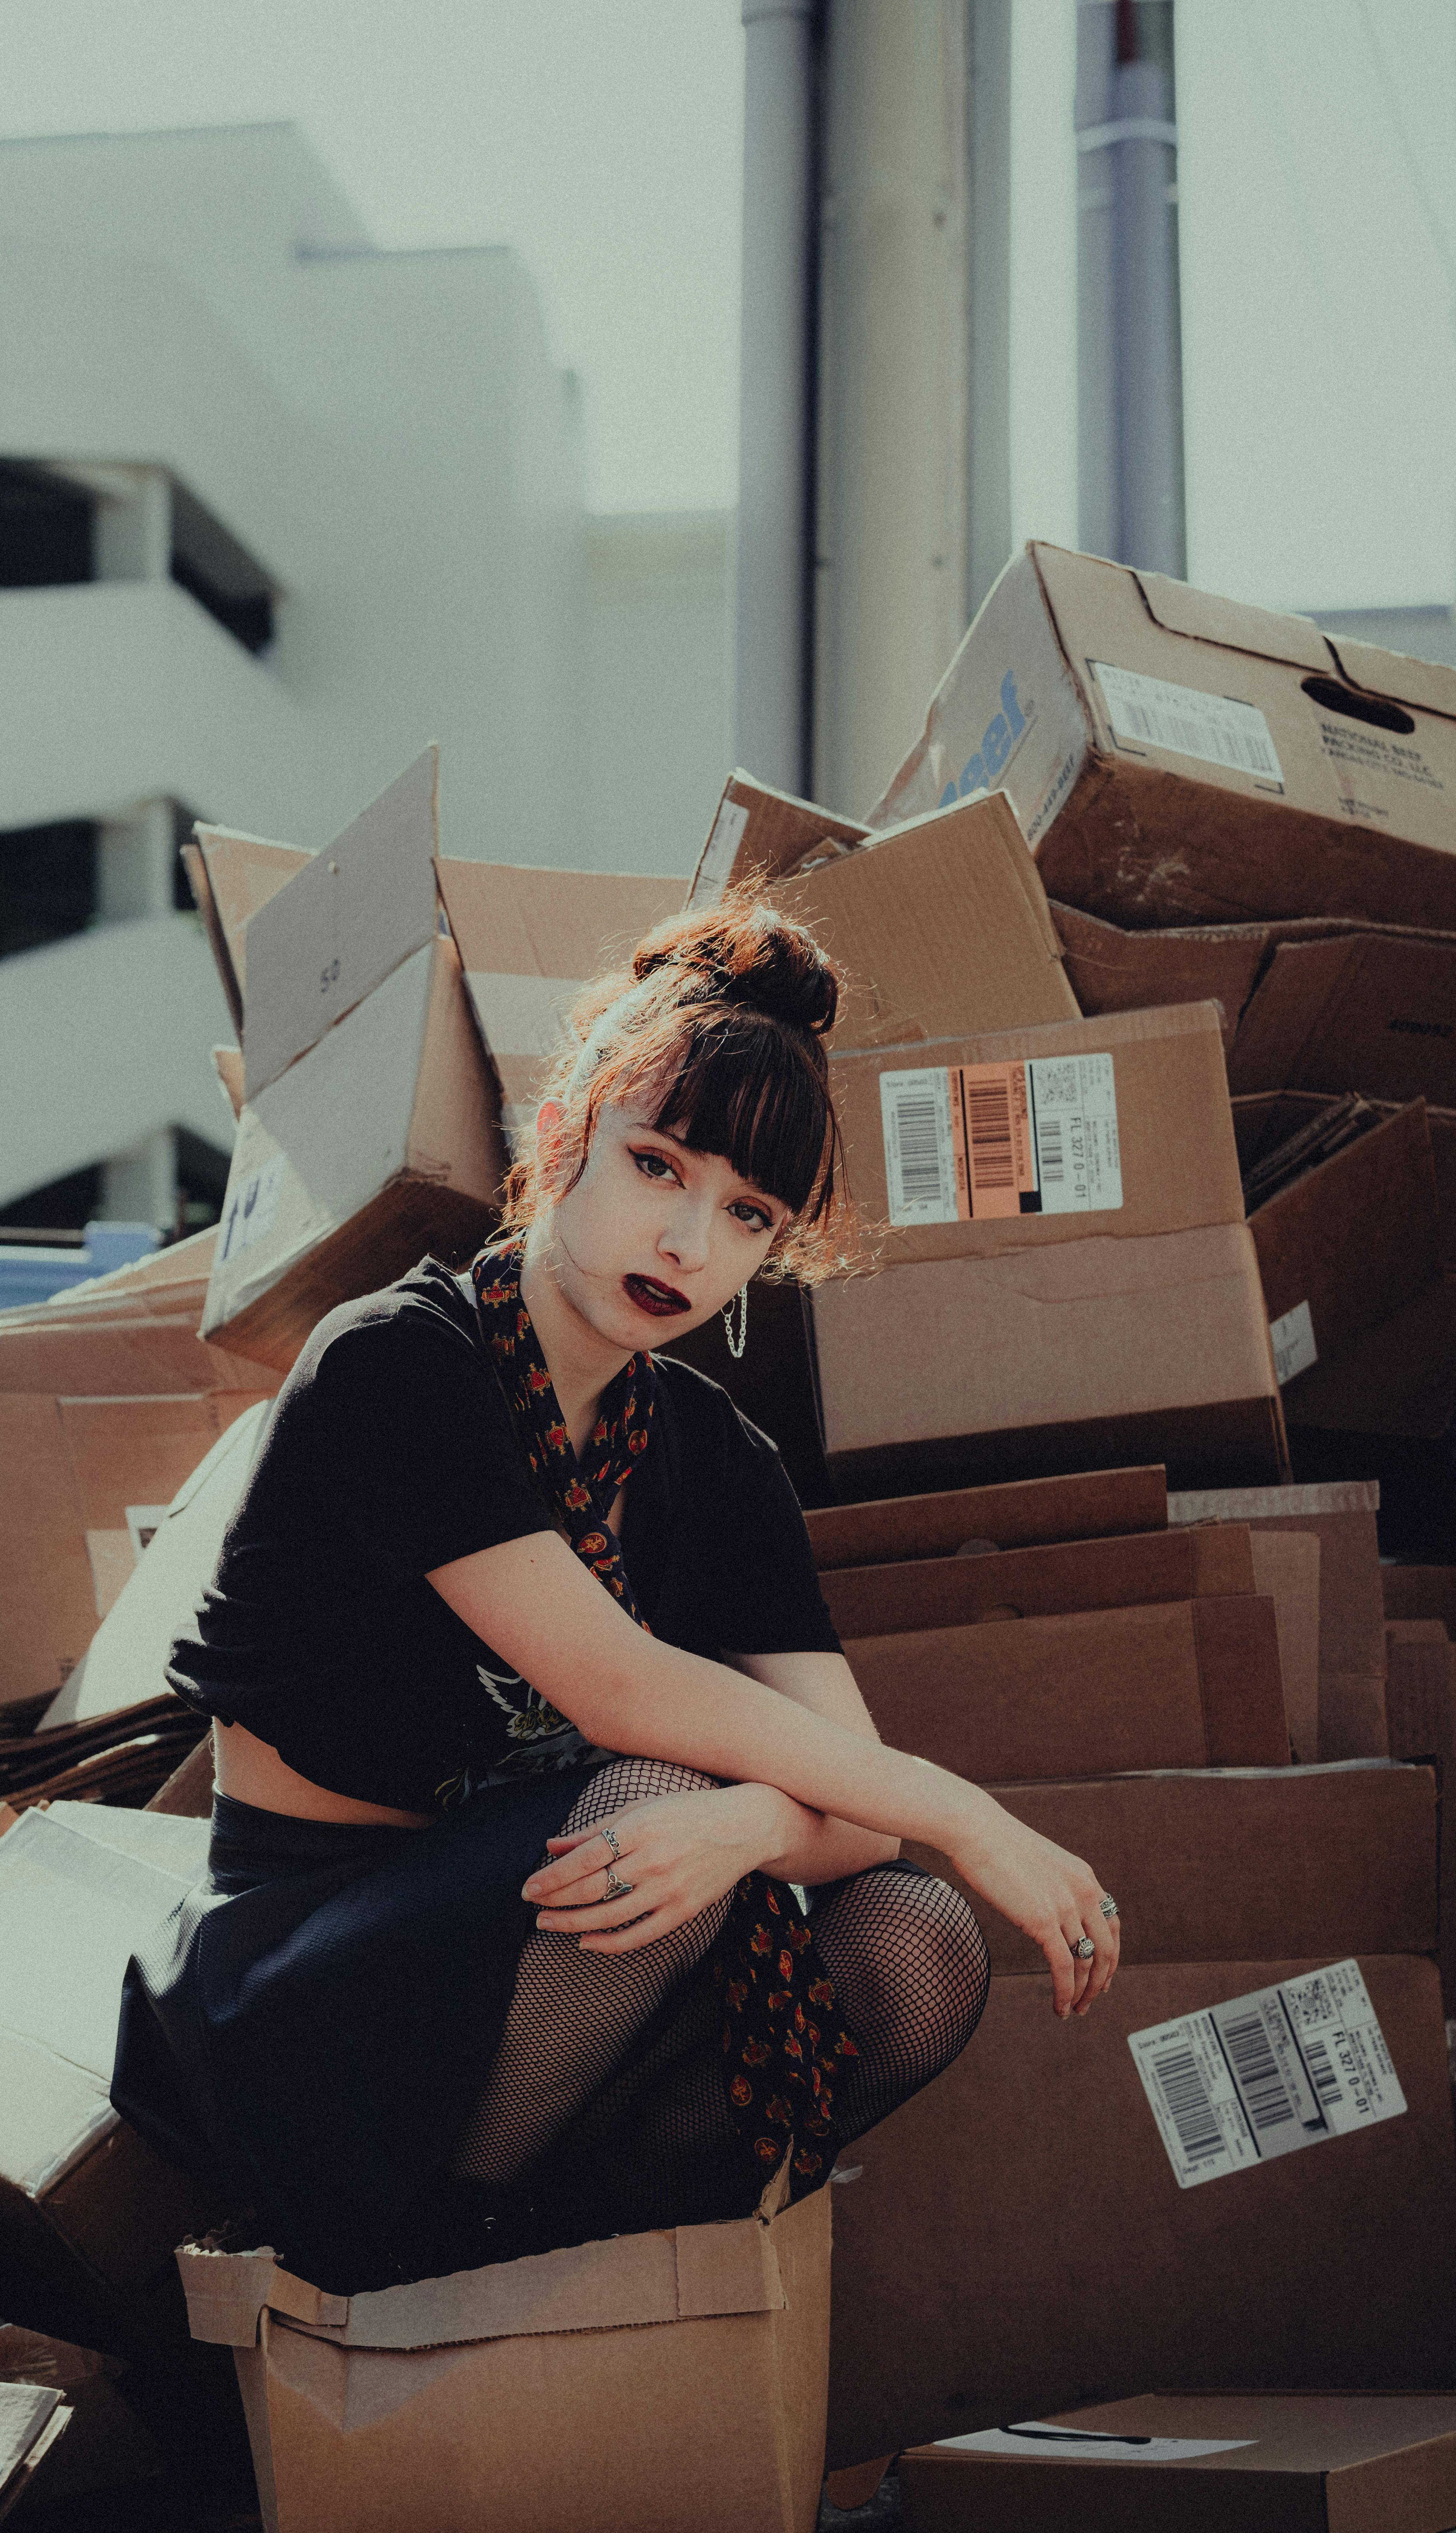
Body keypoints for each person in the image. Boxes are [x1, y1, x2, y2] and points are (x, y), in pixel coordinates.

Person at [113, 889, 1121, 2294]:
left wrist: (753, 1825)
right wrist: (960, 1813)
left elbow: (847, 1801)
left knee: (914, 1940)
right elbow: (619, 1688)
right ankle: (415, 2272)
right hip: (307, 1973)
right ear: (567, 1134)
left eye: (746, 1213)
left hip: (555, 1956)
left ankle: (577, 2284)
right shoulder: (400, 1365)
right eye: (658, 1168)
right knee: (659, 1795)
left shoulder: (716, 1463)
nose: (689, 1244)